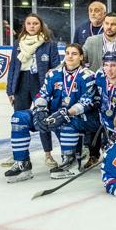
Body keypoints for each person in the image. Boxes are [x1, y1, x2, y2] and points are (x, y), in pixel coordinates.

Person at [30, 43, 98, 179]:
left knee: (67, 122)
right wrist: (40, 110)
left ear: (81, 57)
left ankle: (70, 162)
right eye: (67, 53)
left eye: (74, 54)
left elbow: (86, 102)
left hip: (79, 118)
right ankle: (22, 163)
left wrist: (66, 114)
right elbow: (42, 94)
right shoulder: (53, 74)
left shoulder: (88, 76)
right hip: (54, 114)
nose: (70, 56)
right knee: (19, 118)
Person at [5, 14, 61, 168]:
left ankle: (48, 154)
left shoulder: (49, 44)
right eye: (29, 23)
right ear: (25, 25)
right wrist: (10, 90)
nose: (32, 26)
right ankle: (19, 153)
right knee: (19, 119)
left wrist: (52, 88)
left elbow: (56, 67)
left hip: (39, 83)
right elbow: (12, 68)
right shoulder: (18, 43)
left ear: (41, 25)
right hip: (21, 84)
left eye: (35, 23)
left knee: (42, 118)